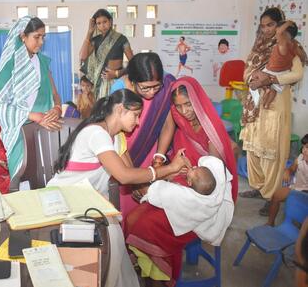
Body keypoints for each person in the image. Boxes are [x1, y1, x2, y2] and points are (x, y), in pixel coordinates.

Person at [47, 89, 190, 287]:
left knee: (114, 237)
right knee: (111, 238)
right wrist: (169, 168)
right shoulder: (97, 133)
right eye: (136, 115)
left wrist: (165, 175)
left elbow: (131, 174)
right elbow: (124, 175)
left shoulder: (114, 136)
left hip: (88, 201)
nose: (138, 122)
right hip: (66, 201)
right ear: (121, 109)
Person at [125, 76, 238, 286]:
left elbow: (208, 183)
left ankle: (161, 277)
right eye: (179, 106)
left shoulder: (209, 130)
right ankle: (151, 271)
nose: (184, 111)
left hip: (199, 199)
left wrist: (155, 189)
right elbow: (179, 168)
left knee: (147, 226)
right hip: (181, 188)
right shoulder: (182, 125)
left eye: (188, 104)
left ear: (198, 101)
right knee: (132, 218)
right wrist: (153, 184)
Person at [239, 7, 307, 216]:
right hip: (254, 102)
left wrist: (271, 79)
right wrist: (252, 79)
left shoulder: (287, 45)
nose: (266, 29)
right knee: (253, 150)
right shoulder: (258, 45)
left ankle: (272, 195)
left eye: (271, 25)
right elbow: (247, 71)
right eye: (263, 25)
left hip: (275, 104)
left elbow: (296, 73)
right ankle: (259, 188)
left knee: (272, 151)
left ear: (279, 25)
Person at [0, 16, 63, 181]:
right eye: (36, 37)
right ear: (23, 36)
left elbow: (54, 94)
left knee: (48, 180)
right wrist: (32, 116)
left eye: (43, 37)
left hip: (45, 129)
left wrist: (57, 108)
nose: (41, 42)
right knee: (25, 182)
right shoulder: (9, 67)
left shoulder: (42, 62)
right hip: (21, 132)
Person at [109, 52, 177, 222]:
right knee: (126, 207)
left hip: (151, 149)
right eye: (145, 88)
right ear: (132, 81)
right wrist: (136, 181)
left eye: (156, 86)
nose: (152, 93)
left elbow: (168, 124)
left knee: (150, 205)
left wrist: (159, 158)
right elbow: (117, 139)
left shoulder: (167, 84)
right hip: (123, 153)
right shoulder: (119, 92)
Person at [141, 156, 234, 246]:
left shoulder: (185, 196)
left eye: (193, 169)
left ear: (189, 182)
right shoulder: (213, 195)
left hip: (157, 228)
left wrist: (169, 175)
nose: (193, 167)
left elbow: (160, 191)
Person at [79, 9, 134, 98]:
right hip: (99, 85)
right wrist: (89, 33)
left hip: (117, 82)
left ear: (110, 21)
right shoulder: (95, 40)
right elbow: (82, 56)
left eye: (105, 22)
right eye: (99, 23)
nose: (102, 26)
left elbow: (134, 63)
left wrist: (117, 73)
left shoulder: (121, 39)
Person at [249, 20, 299, 110]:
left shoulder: (283, 45)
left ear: (285, 35)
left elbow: (297, 75)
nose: (276, 35)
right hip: (280, 73)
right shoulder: (293, 46)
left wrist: (288, 23)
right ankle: (266, 103)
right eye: (263, 26)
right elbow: (302, 57)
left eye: (277, 32)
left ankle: (259, 85)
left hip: (274, 72)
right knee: (272, 90)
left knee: (256, 74)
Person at [267, 134, 308, 224]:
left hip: (306, 192)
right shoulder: (300, 158)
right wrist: (287, 171)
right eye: (304, 147)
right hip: (297, 187)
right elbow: (292, 169)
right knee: (276, 196)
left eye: (307, 148)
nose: (304, 150)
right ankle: (270, 223)